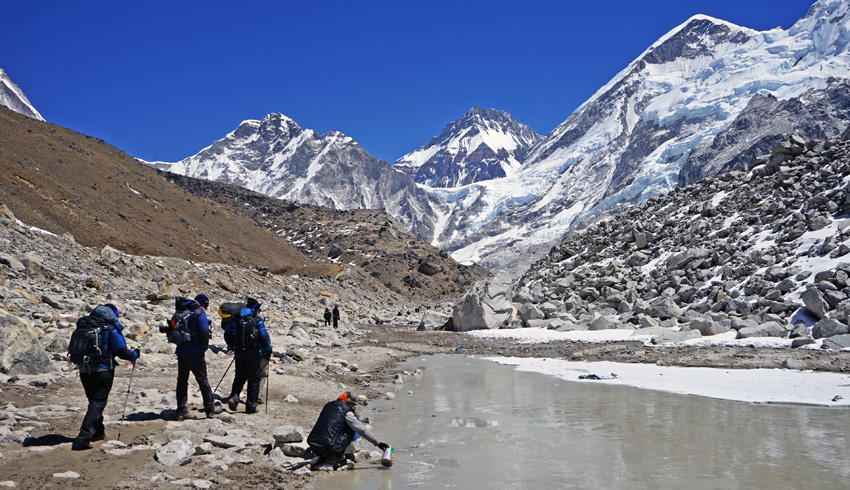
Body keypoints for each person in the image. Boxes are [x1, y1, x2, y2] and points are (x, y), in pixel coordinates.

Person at [72, 304, 139, 450]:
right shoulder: (110, 328)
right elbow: (121, 351)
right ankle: (85, 436)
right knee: (98, 401)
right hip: (103, 370)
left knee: (93, 401)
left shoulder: (84, 325)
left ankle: (98, 432)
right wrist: (134, 355)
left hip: (84, 369)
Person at [306, 392, 389, 468]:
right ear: (347, 402)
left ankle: (322, 456)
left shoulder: (328, 406)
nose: (352, 407)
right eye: (352, 404)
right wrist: (379, 443)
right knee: (352, 427)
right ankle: (335, 458)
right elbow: (362, 430)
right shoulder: (346, 412)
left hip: (313, 442)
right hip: (327, 446)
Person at [223, 297, 272, 414]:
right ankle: (251, 406)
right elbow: (264, 337)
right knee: (254, 379)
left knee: (239, 376)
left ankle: (234, 397)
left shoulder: (236, 317)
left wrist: (233, 346)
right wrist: (268, 350)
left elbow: (227, 334)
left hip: (239, 352)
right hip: (253, 352)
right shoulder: (256, 319)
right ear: (256, 308)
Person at [175, 294, 216, 420]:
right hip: (195, 352)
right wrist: (204, 347)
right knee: (202, 380)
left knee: (182, 381)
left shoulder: (183, 313)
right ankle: (209, 410)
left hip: (181, 350)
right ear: (204, 304)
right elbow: (204, 332)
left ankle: (181, 410)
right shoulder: (199, 314)